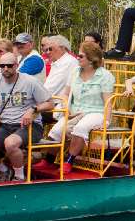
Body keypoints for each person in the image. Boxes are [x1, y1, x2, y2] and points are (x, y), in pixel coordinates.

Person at [0, 52, 54, 182]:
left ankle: (19, 177)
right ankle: (3, 170)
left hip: (29, 125)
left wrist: (33, 109)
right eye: (2, 66)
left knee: (11, 143)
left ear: (16, 65)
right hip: (5, 125)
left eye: (9, 65)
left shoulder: (30, 81)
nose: (6, 69)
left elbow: (50, 103)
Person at [34, 42, 114, 174]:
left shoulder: (104, 76)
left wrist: (106, 120)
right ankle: (49, 160)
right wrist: (66, 105)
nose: (77, 58)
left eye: (81, 56)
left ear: (91, 59)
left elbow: (108, 102)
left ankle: (69, 161)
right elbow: (65, 94)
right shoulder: (75, 72)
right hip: (76, 110)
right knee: (57, 130)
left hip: (96, 112)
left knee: (81, 127)